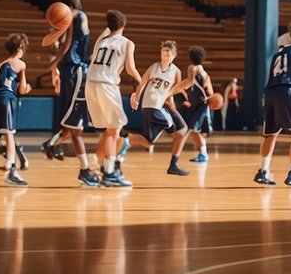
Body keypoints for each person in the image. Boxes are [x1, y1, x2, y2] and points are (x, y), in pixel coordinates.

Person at [42, 0, 98, 187]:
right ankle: (83, 169)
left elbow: (61, 43)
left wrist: (54, 65)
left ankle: (54, 144)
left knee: (74, 123)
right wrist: (55, 64)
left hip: (70, 71)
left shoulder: (68, 20)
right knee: (76, 125)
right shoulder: (79, 15)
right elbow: (62, 43)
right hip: (76, 71)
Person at [86, 10, 141, 187]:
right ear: (124, 25)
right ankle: (110, 173)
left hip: (90, 84)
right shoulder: (127, 43)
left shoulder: (101, 41)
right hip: (106, 85)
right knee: (114, 131)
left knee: (111, 130)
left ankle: (106, 167)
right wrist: (141, 81)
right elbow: (130, 68)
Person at [127, 40, 196, 176]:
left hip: (161, 106)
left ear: (174, 55)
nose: (165, 55)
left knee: (149, 142)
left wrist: (180, 103)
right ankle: (173, 162)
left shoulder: (176, 72)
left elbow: (175, 90)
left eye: (168, 53)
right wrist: (136, 96)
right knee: (180, 129)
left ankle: (124, 139)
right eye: (163, 52)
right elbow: (142, 83)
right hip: (152, 106)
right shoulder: (154, 67)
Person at [256, 18, 291, 186]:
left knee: (271, 134)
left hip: (270, 91)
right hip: (287, 90)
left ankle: (263, 172)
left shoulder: (278, 52)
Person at [0, 33, 32, 186]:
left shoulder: (0, 64)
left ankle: (11, 155)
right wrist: (28, 88)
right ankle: (13, 170)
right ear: (20, 48)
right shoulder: (21, 64)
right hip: (8, 99)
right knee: (9, 135)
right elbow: (21, 90)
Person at [181, 45, 216, 162]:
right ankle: (202, 153)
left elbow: (189, 83)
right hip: (201, 104)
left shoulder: (192, 68)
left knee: (193, 129)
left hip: (199, 105)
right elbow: (210, 92)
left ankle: (203, 153)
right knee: (195, 131)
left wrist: (177, 88)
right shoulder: (205, 73)